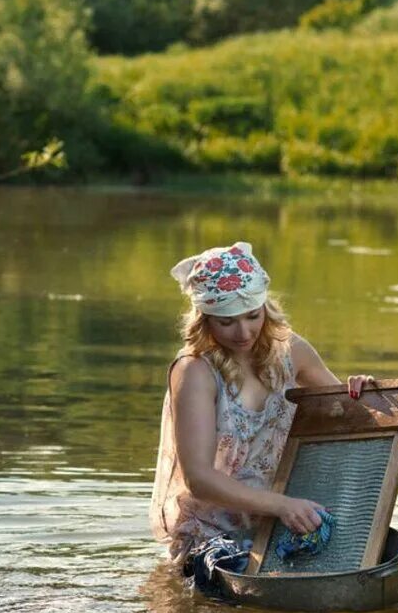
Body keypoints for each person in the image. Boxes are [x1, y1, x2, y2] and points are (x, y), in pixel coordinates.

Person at [148, 241, 377, 566]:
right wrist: (281, 505)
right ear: (205, 319)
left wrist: (362, 393)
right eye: (226, 321)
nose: (243, 332)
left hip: (279, 524)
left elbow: (348, 417)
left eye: (253, 316)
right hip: (212, 537)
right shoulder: (196, 371)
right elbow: (198, 478)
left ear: (266, 308)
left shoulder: (290, 352)